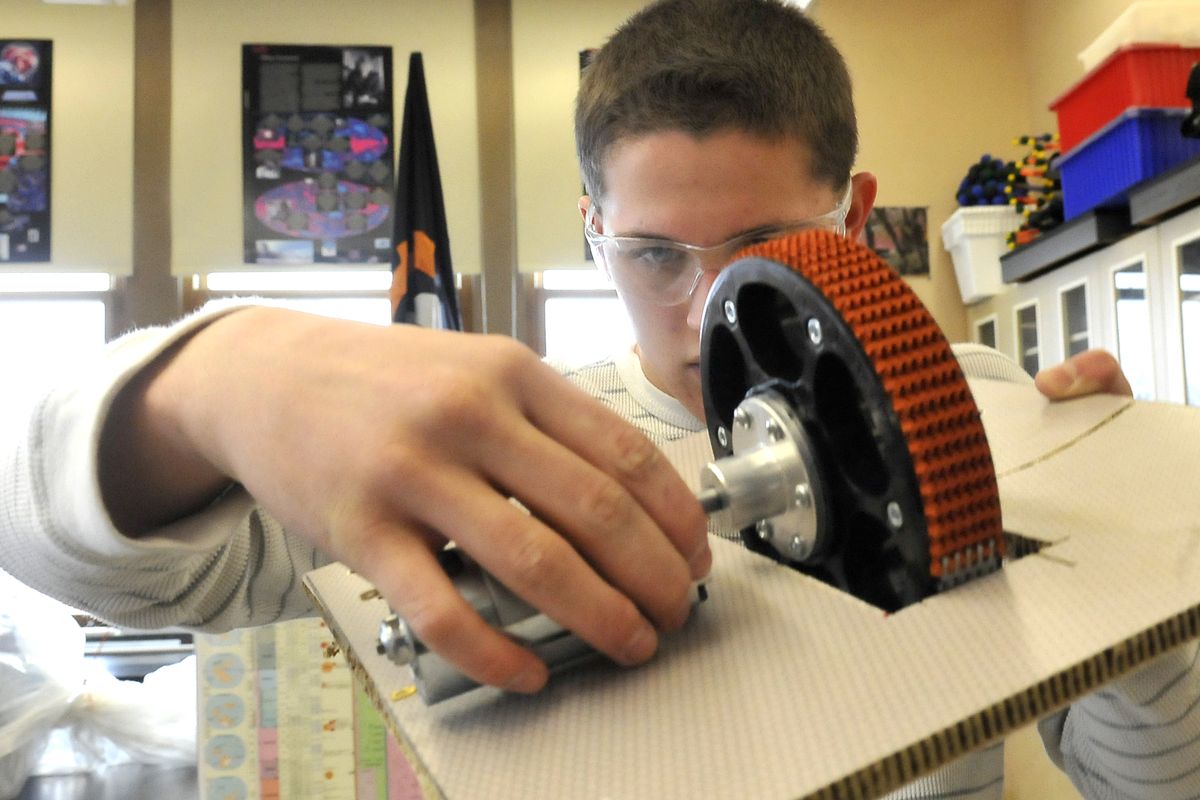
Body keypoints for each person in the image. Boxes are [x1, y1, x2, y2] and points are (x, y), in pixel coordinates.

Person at [0, 1, 1192, 797]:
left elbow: (1145, 780)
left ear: (854, 209)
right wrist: (206, 382)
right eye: (653, 254)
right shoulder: (499, 446)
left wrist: (1140, 569)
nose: (700, 311)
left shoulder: (981, 417)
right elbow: (96, 564)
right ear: (591, 232)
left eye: (766, 245)